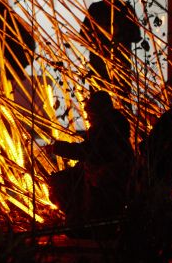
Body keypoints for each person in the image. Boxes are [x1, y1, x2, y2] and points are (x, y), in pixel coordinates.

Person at [45, 90, 133, 225]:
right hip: (103, 184)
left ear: (98, 113)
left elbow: (85, 152)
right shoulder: (111, 128)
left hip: (106, 187)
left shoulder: (108, 131)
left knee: (63, 186)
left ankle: (84, 222)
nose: (87, 118)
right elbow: (87, 157)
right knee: (60, 181)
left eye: (90, 114)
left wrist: (57, 148)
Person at [80, 0, 142, 99]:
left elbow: (136, 35)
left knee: (123, 99)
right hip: (99, 65)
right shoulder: (95, 9)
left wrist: (119, 33)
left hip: (121, 66)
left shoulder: (125, 9)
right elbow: (83, 34)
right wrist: (100, 32)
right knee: (99, 101)